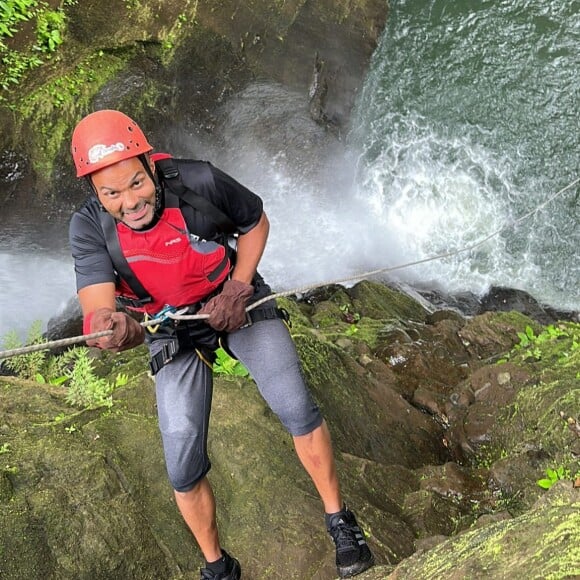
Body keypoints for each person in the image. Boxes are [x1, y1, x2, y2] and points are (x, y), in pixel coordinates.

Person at [68, 109, 374, 579]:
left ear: (150, 164)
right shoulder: (90, 227)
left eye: (136, 184)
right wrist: (115, 327)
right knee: (182, 465)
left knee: (294, 404)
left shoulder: (197, 182)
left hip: (232, 300)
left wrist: (239, 287)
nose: (130, 202)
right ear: (94, 191)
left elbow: (254, 222)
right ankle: (218, 568)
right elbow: (97, 307)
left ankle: (339, 520)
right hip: (168, 326)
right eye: (111, 193)